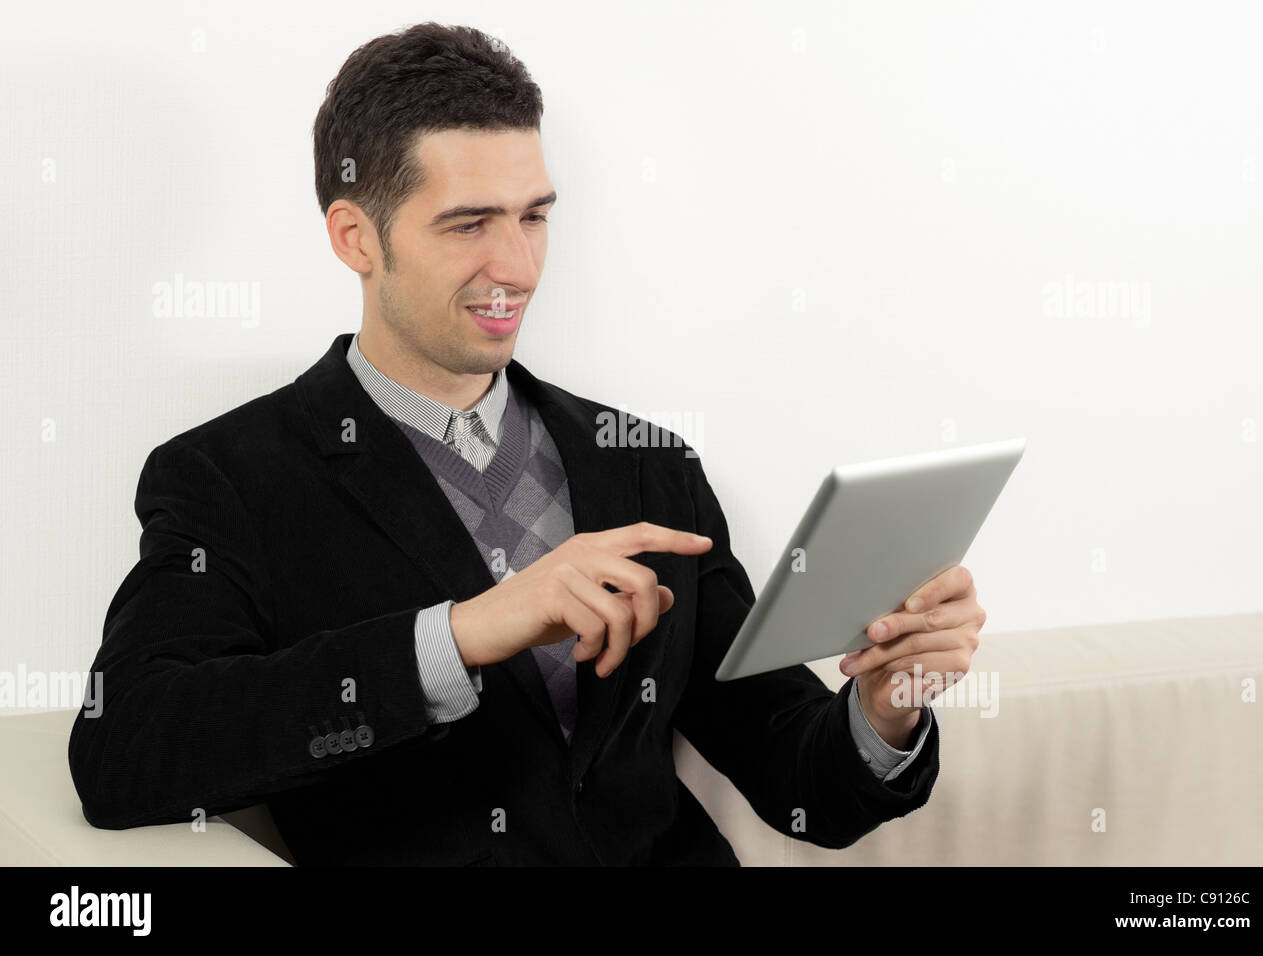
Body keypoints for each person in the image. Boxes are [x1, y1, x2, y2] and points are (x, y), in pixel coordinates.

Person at [69, 22, 985, 866]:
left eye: (534, 215)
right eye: (469, 223)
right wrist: (462, 635)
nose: (517, 267)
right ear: (356, 237)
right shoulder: (229, 477)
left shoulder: (649, 465)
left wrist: (884, 708)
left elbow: (799, 789)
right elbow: (124, 754)